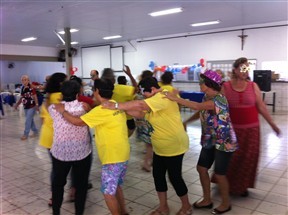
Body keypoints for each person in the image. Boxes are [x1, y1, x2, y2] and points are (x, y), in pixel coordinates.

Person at [103, 77, 192, 215]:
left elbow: (140, 106)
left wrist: (116, 105)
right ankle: (163, 207)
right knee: (158, 176)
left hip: (173, 146)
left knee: (175, 178)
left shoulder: (163, 96)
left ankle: (186, 206)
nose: (142, 95)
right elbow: (140, 113)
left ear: (152, 89)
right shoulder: (154, 98)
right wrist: (123, 110)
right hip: (159, 146)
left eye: (144, 92)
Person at [164, 70, 238, 215]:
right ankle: (207, 199)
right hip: (210, 138)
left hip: (224, 140)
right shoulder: (207, 96)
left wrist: (175, 98)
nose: (199, 84)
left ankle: (226, 203)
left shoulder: (219, 99)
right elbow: (201, 111)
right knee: (201, 168)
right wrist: (188, 120)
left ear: (208, 84)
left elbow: (198, 106)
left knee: (220, 173)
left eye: (201, 82)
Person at [54, 79, 130, 215]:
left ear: (97, 92)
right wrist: (89, 109)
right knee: (116, 186)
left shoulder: (101, 110)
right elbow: (97, 117)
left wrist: (63, 111)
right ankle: (124, 212)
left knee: (107, 193)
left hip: (112, 158)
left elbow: (78, 122)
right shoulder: (115, 105)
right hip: (123, 154)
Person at [222, 57, 280, 197]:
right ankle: (227, 184)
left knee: (248, 158)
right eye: (242, 68)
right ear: (235, 70)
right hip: (232, 130)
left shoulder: (253, 86)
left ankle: (242, 186)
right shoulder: (226, 86)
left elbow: (261, 107)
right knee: (231, 158)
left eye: (247, 68)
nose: (245, 71)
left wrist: (273, 125)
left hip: (251, 130)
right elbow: (220, 109)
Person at [48, 80, 92, 215]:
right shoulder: (84, 108)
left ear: (62, 94)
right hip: (82, 153)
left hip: (61, 153)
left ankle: (56, 212)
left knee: (58, 185)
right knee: (81, 186)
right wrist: (88, 109)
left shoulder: (53, 108)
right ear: (79, 93)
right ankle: (79, 213)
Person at [38, 72, 67, 207]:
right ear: (61, 83)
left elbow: (43, 119)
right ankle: (56, 196)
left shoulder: (48, 98)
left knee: (56, 167)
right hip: (58, 137)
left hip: (48, 137)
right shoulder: (61, 97)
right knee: (62, 168)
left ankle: (53, 195)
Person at [102, 66, 138, 137]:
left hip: (108, 119)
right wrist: (129, 74)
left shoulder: (100, 90)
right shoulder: (123, 89)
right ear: (113, 79)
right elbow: (136, 89)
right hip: (125, 118)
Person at [135, 70, 154, 172]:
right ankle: (146, 163)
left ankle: (149, 161)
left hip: (140, 121)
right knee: (150, 144)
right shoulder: (151, 92)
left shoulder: (140, 90)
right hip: (148, 121)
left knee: (149, 144)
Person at [14, 75, 39, 140]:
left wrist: (36, 105)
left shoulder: (31, 87)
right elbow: (22, 97)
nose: (24, 81)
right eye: (22, 80)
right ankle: (36, 132)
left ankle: (25, 134)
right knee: (30, 120)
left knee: (28, 120)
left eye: (25, 79)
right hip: (26, 106)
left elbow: (35, 96)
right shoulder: (22, 88)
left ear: (28, 80)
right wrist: (17, 104)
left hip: (32, 106)